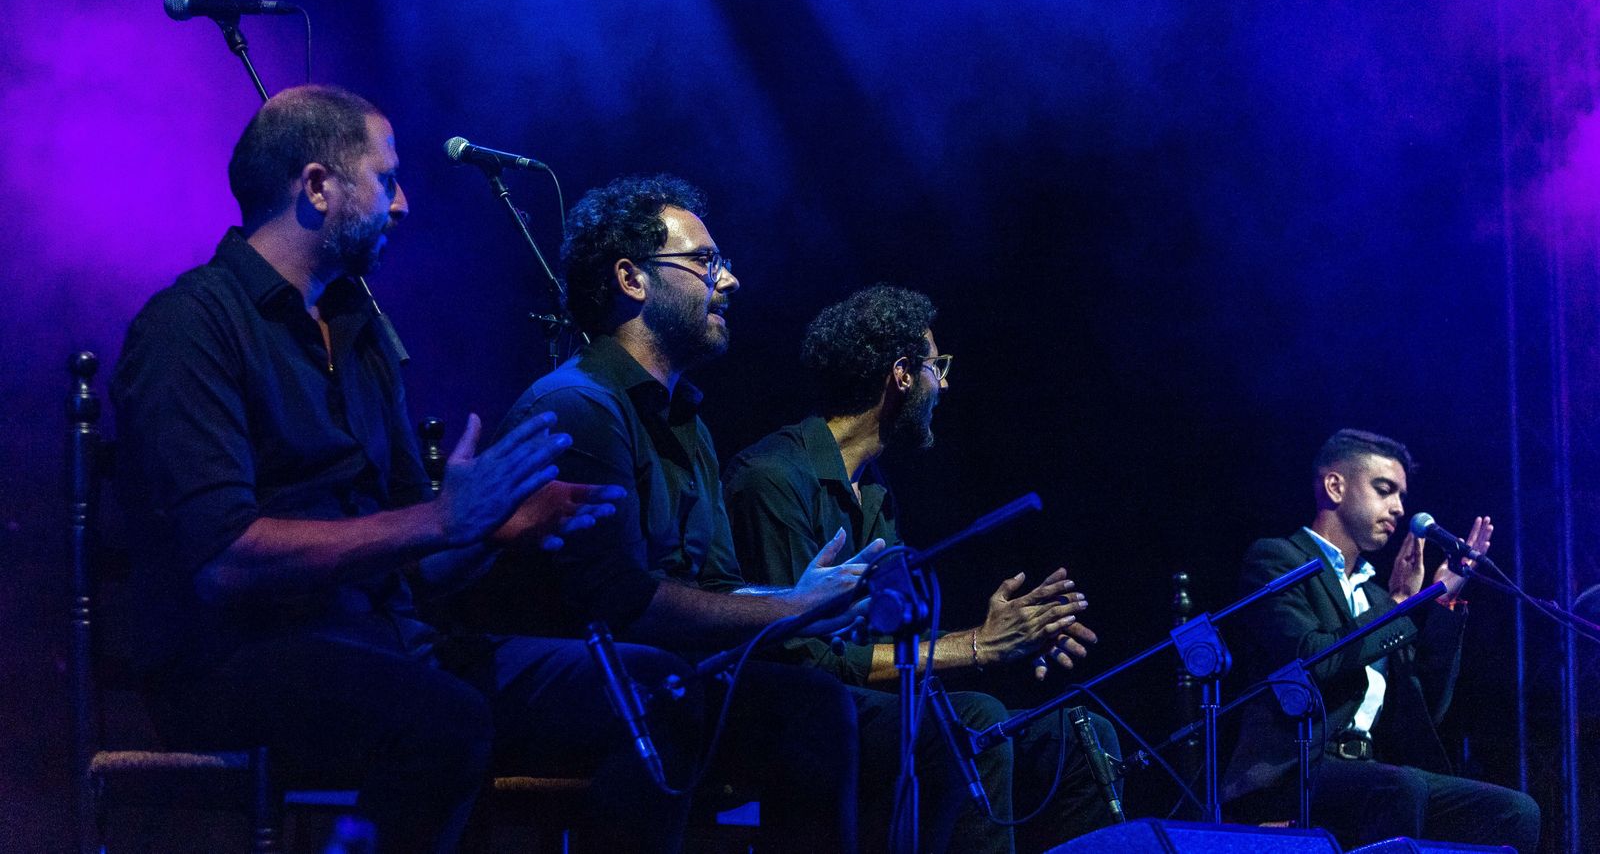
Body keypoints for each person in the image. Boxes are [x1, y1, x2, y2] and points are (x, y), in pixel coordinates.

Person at [112, 86, 703, 854]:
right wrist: (438, 519)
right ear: (318, 186)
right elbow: (224, 561)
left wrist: (489, 528)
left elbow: (415, 560)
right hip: (236, 663)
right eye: (386, 180)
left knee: (662, 690)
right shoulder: (189, 326)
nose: (404, 205)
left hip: (383, 643)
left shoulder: (356, 331)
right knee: (443, 719)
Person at [459, 174, 868, 852]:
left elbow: (709, 589)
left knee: (814, 707)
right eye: (706, 262)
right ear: (632, 279)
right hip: (551, 681)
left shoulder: (687, 424)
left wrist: (802, 596)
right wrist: (791, 610)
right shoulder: (578, 407)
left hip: (657, 676)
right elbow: (620, 605)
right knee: (669, 686)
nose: (729, 281)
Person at [722, 284, 1121, 853]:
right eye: (939, 367)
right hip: (794, 720)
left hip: (862, 709)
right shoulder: (773, 478)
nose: (946, 384)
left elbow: (891, 647)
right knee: (973, 721)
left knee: (1079, 735)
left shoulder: (876, 493)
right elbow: (806, 660)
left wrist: (1014, 641)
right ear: (902, 375)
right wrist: (978, 646)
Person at [1221, 429, 1540, 851]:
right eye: (1384, 490)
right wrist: (1400, 603)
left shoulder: (1376, 597)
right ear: (1335, 486)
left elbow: (1426, 706)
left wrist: (1441, 601)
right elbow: (1310, 659)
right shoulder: (1278, 558)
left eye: (1401, 496)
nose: (1399, 508)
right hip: (1291, 770)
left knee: (1514, 811)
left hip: (1371, 773)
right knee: (1398, 787)